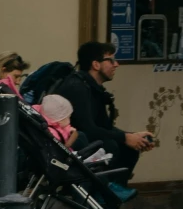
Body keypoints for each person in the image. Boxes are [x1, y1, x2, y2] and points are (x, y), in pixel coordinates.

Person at [62, 41, 157, 180]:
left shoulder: (93, 88)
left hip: (85, 140)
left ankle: (114, 193)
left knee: (129, 148)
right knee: (110, 145)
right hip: (71, 144)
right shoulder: (77, 87)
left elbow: (104, 126)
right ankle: (103, 194)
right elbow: (88, 129)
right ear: (96, 64)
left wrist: (133, 136)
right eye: (111, 60)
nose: (116, 64)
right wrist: (125, 138)